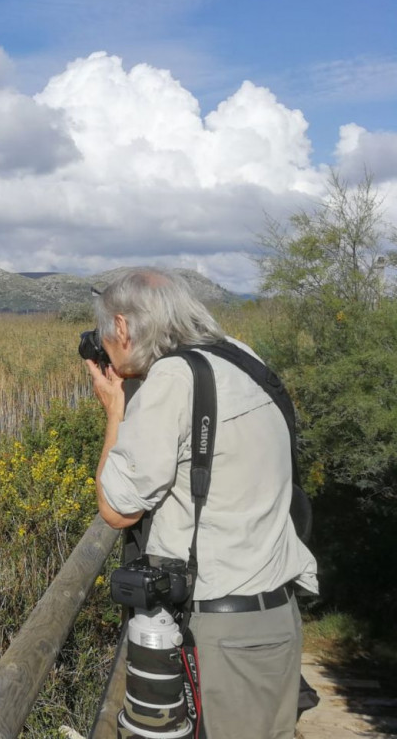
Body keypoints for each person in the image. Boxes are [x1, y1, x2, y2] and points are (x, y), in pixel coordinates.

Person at [84, 268, 318, 739]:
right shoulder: (241, 358)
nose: (104, 345)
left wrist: (115, 412)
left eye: (106, 335)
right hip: (274, 614)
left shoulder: (175, 377)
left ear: (124, 328)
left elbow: (117, 506)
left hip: (220, 631)